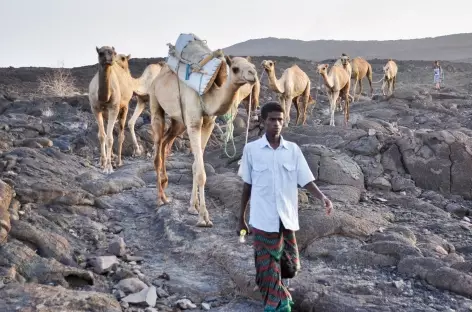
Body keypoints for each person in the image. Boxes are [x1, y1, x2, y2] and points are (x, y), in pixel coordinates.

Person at [237, 101, 333, 311]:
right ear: (263, 121)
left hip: (287, 218)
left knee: (290, 266)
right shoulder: (251, 150)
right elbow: (247, 185)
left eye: (280, 120)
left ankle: (279, 293)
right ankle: (278, 304)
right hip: (263, 219)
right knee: (267, 266)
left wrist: (322, 197)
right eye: (272, 119)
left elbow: (306, 180)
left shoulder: (293, 150)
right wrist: (241, 218)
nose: (277, 123)